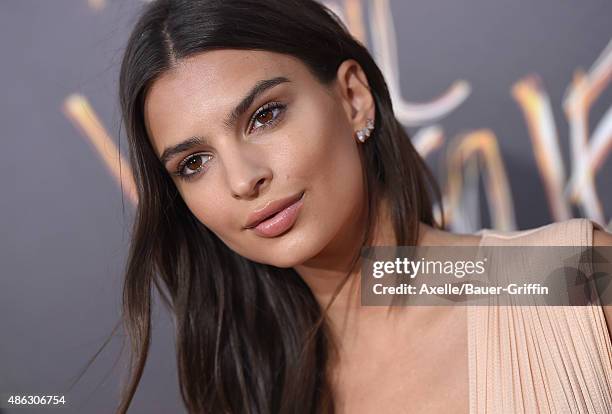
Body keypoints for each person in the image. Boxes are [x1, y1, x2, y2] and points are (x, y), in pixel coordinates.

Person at [116, 0, 612, 412]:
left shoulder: (575, 275)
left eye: (265, 116)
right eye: (195, 162)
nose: (243, 180)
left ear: (354, 98)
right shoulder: (250, 391)